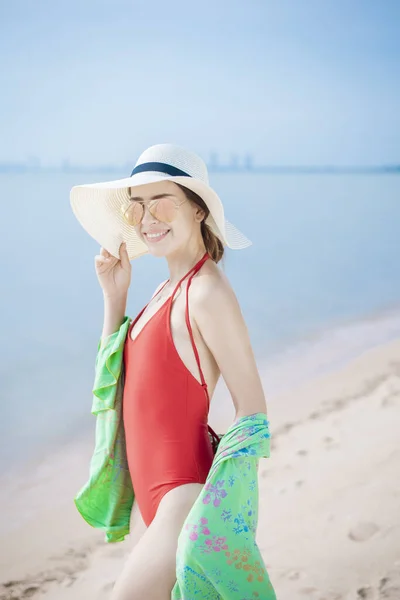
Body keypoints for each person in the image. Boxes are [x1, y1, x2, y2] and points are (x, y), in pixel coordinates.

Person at [70, 144, 275, 599]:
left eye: (161, 200)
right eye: (137, 205)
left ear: (198, 209)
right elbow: (118, 389)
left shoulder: (205, 291)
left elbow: (252, 411)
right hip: (155, 500)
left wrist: (221, 518)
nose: (147, 218)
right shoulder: (167, 288)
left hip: (183, 497)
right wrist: (114, 298)